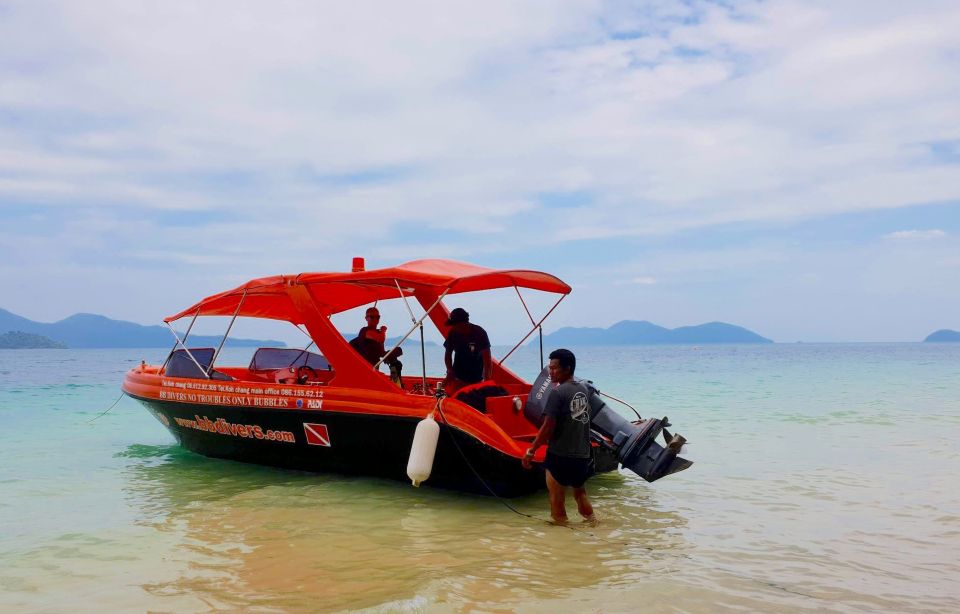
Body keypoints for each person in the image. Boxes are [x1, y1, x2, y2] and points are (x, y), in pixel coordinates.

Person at [522, 348, 595, 524]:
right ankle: (593, 524)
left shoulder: (557, 392)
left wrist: (531, 450)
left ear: (567, 369)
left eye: (554, 368)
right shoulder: (583, 389)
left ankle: (561, 533)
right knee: (580, 493)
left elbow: (548, 426)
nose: (551, 372)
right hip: (582, 454)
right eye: (550, 368)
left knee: (556, 497)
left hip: (560, 454)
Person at [442, 307, 491, 393]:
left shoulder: (480, 333)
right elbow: (448, 354)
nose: (453, 327)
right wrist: (450, 372)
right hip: (457, 378)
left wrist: (487, 382)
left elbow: (487, 360)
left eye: (454, 324)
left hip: (476, 379)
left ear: (462, 323)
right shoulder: (453, 333)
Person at [351, 307, 403, 386]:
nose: (375, 319)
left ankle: (396, 384)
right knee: (394, 362)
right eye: (372, 317)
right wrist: (383, 330)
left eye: (377, 317)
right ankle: (396, 384)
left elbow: (381, 352)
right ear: (366, 318)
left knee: (396, 363)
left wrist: (391, 354)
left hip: (375, 366)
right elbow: (380, 339)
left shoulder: (377, 332)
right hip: (366, 369)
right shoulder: (365, 331)